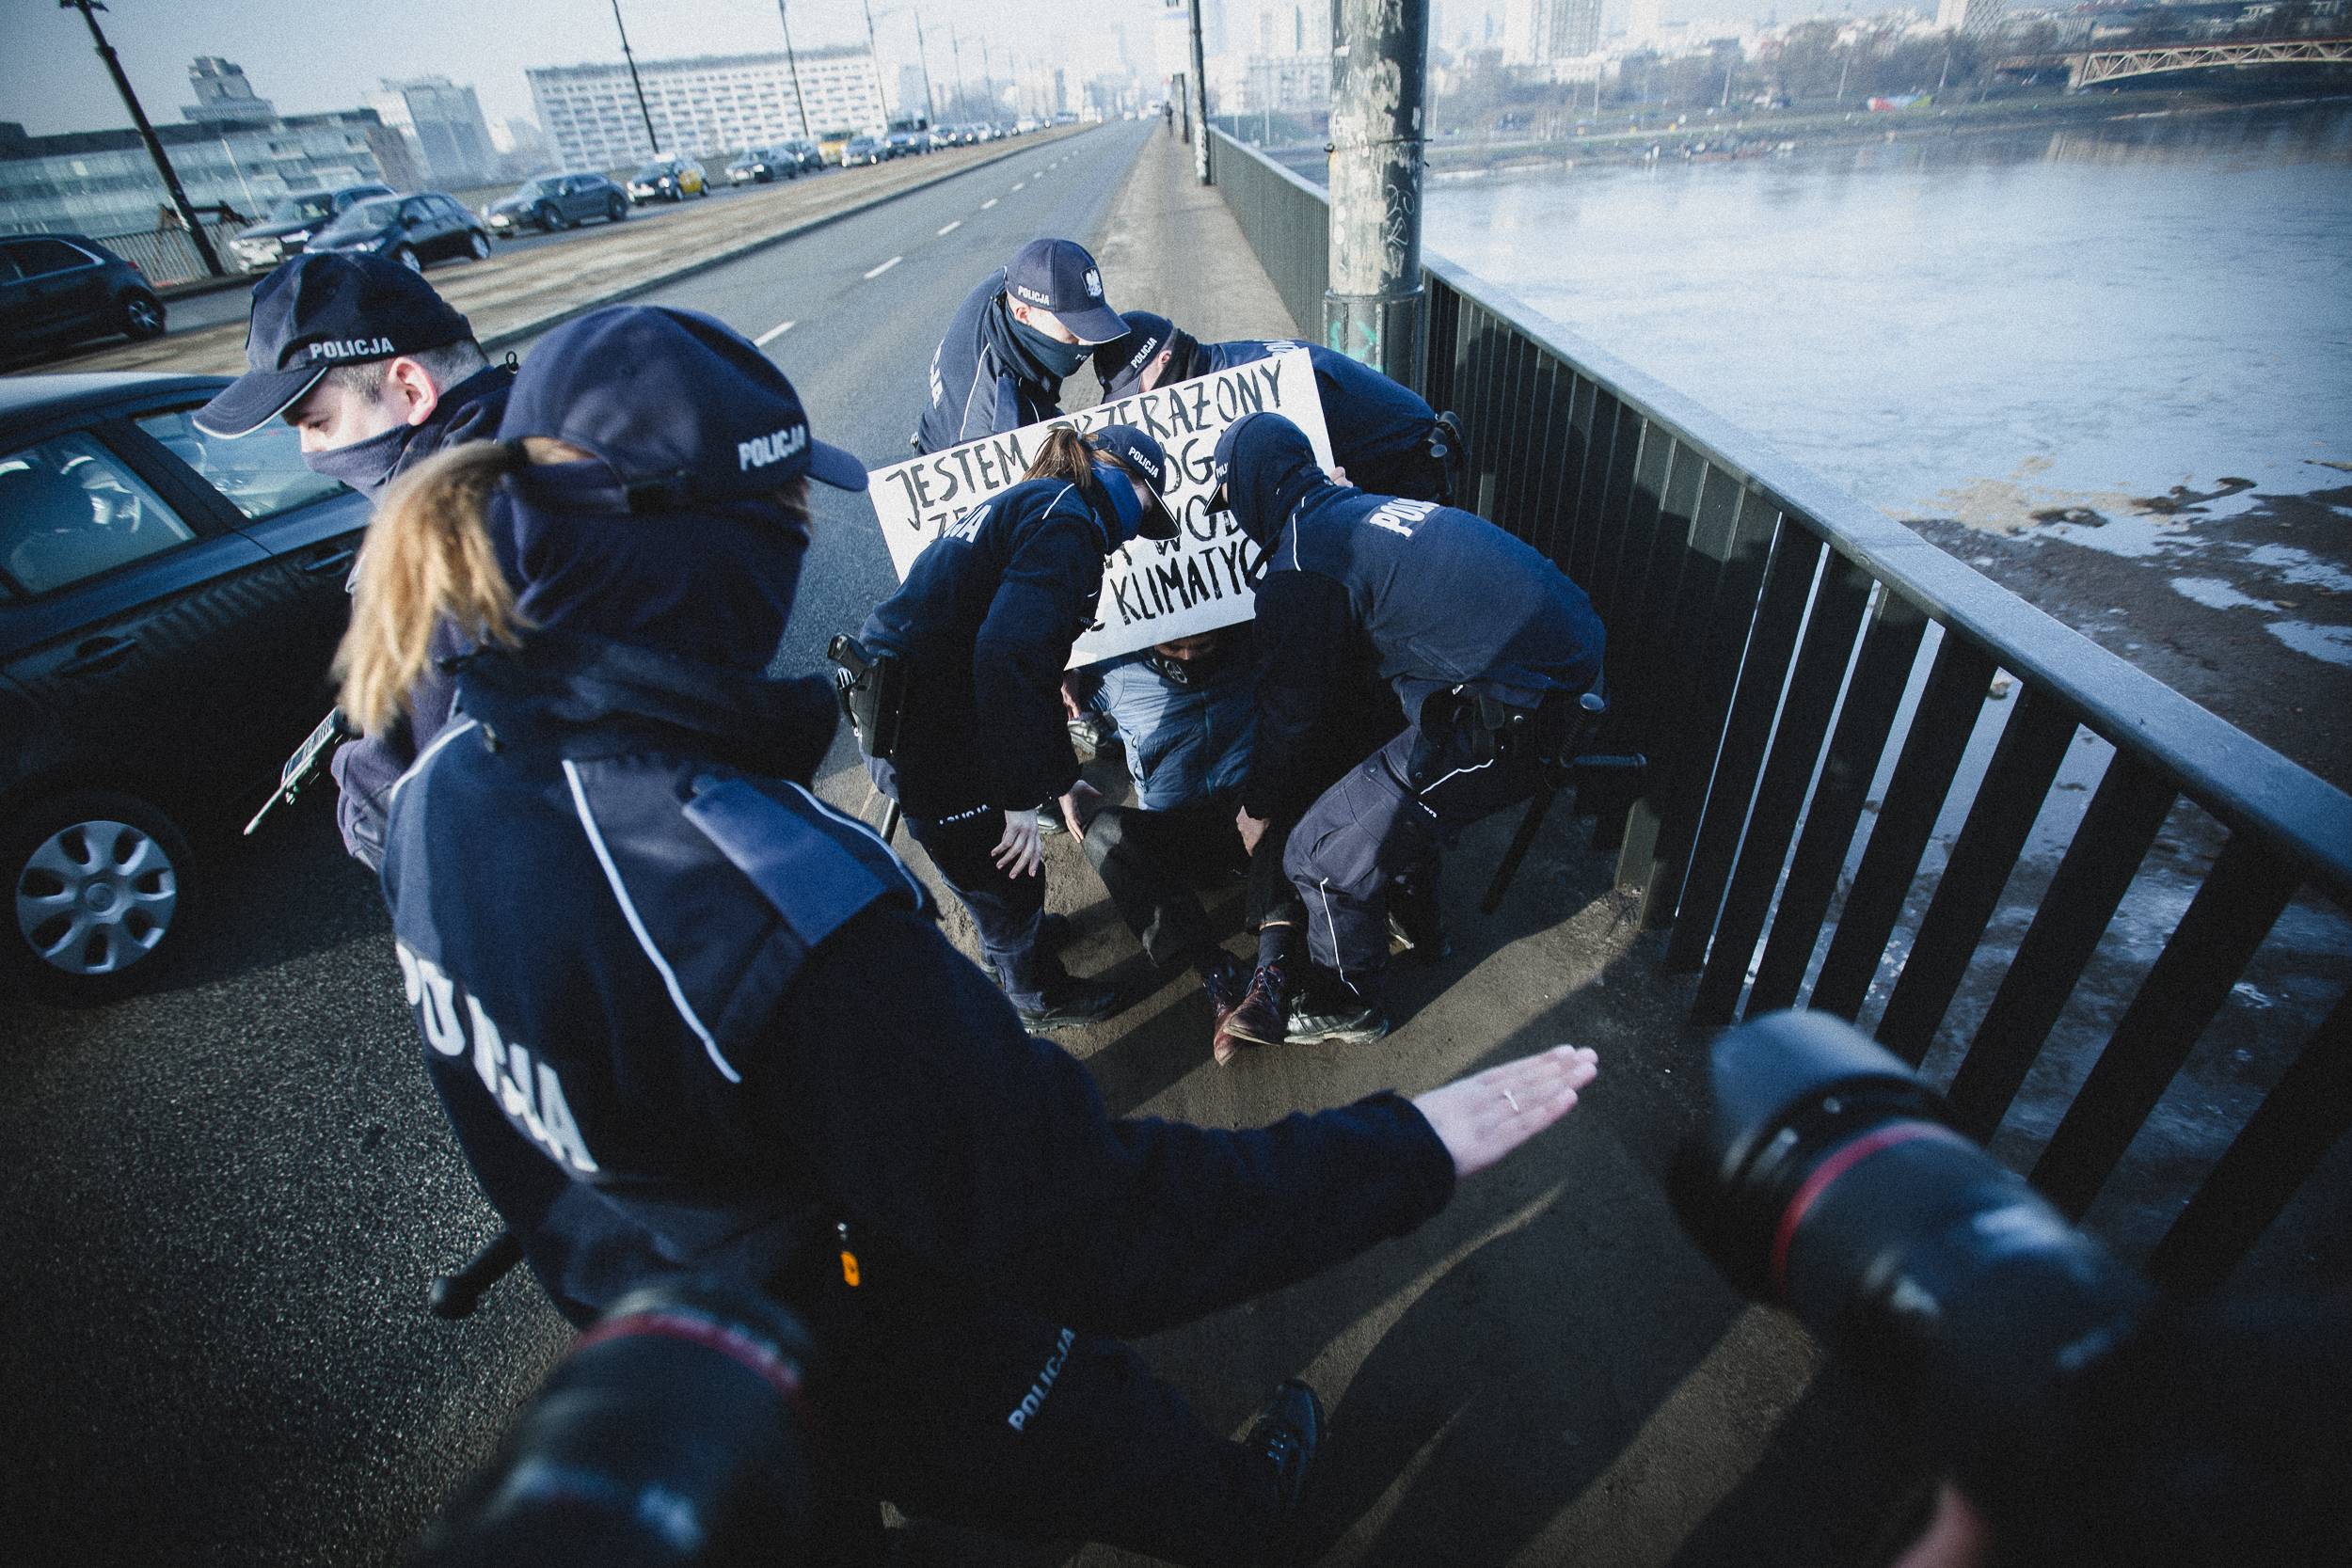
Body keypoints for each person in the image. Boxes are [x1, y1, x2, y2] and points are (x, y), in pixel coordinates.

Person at [342, 301, 1605, 1565]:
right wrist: (1405, 1143)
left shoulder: (440, 786)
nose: (799, 536)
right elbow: (1092, 1220)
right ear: (708, 545)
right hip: (874, 1322)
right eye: (785, 514)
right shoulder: (778, 895)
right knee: (1126, 1447)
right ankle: (1253, 1513)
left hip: (683, 1360)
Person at [1211, 411, 1608, 1048]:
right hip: (1572, 667)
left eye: (1228, 498)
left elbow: (1290, 716)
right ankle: (1423, 923)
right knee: (1379, 780)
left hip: (1516, 715)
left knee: (1317, 850)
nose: (1231, 512)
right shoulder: (1361, 507)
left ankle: (1350, 999)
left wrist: (1258, 809)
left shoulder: (1303, 562)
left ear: (1253, 486)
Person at [196, 250, 514, 870]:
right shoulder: (553, 433)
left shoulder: (442, 541)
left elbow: (400, 807)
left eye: (316, 421)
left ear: (410, 388)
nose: (309, 448)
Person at [858, 422, 1180, 1031]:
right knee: (1003, 870)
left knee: (996, 866)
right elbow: (1008, 657)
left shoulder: (1045, 501)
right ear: (1125, 476)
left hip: (928, 706)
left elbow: (1023, 660)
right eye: (1148, 504)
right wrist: (1017, 799)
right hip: (924, 728)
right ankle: (1034, 995)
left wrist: (1058, 780)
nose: (1140, 528)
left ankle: (1018, 941)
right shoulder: (1071, 525)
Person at [1065, 625, 1416, 1065]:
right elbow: (1029, 712)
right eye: (1174, 646)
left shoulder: (1256, 646)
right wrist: (1062, 778)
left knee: (1293, 784)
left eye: (1204, 645)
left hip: (1253, 819)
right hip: (1178, 830)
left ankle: (1271, 977)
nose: (1189, 657)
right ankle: (1218, 975)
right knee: (1103, 833)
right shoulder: (1112, 668)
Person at [1094, 309, 1463, 502]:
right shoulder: (1220, 362)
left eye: (1133, 391)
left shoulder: (1262, 388)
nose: (1137, 405)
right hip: (1394, 442)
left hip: (1409, 465)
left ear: (1163, 360)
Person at [914, 237, 1127, 454]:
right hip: (961, 465)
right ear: (1023, 314)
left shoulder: (1011, 283)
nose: (1087, 343)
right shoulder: (994, 420)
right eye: (1074, 329)